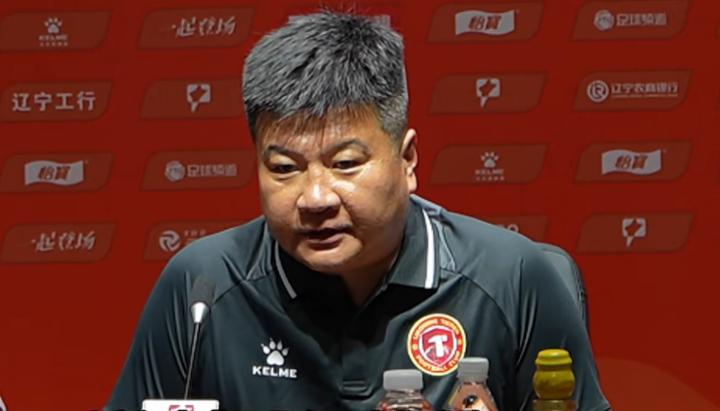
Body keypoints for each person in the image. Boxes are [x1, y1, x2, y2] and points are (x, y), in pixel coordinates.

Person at [105, 11, 611, 411]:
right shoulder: (203, 288)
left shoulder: (510, 278)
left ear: (407, 161)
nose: (315, 198)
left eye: (345, 163)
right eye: (284, 168)